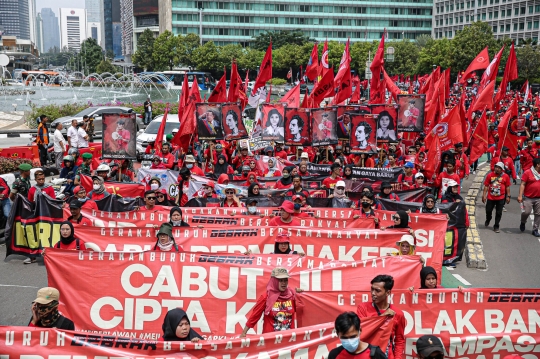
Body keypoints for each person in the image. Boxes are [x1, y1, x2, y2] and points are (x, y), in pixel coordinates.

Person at [356, 275, 405, 359]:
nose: (373, 293)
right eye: (372, 289)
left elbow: (399, 340)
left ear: (388, 293)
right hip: (365, 355)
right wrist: (383, 317)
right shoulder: (362, 308)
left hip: (387, 356)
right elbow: (361, 332)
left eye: (377, 291)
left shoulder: (398, 314)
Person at [241, 267, 298, 336]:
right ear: (274, 281)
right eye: (280, 280)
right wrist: (244, 333)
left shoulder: (292, 295)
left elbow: (303, 310)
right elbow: (254, 316)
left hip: (289, 340)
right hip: (270, 340)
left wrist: (302, 295)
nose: (284, 283)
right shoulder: (266, 297)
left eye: (285, 280)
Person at [482, 161, 511, 233]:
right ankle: (488, 219)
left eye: (499, 168)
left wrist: (508, 196)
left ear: (502, 169)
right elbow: (486, 186)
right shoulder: (490, 175)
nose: (497, 169)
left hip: (501, 198)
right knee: (488, 210)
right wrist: (484, 195)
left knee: (499, 213)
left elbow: (507, 187)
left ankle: (496, 226)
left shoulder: (506, 176)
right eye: (496, 167)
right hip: (490, 197)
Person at [518, 157, 540, 237]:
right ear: (537, 165)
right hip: (528, 197)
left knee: (538, 214)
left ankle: (535, 229)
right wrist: (520, 195)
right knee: (526, 212)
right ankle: (523, 222)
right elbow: (523, 184)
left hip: (539, 198)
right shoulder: (528, 172)